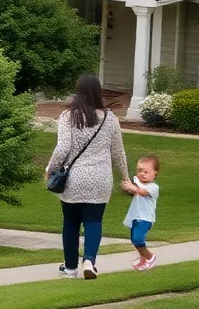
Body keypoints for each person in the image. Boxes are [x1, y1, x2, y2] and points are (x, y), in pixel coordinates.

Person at [45, 74, 129, 280]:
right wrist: (126, 176)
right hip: (101, 179)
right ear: (98, 91)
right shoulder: (110, 119)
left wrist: (50, 168)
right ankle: (89, 260)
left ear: (78, 91)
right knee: (93, 221)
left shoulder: (68, 116)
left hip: (74, 179)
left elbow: (63, 147)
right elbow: (118, 151)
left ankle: (71, 267)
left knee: (71, 222)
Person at [123, 155, 161, 271]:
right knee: (134, 241)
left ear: (155, 173)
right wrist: (126, 187)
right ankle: (143, 260)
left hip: (145, 219)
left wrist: (132, 187)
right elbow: (131, 190)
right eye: (140, 171)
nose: (142, 174)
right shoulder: (136, 182)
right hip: (135, 217)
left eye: (146, 172)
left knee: (138, 239)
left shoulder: (153, 187)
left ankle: (150, 257)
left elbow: (141, 192)